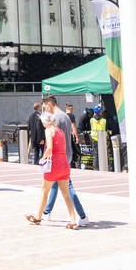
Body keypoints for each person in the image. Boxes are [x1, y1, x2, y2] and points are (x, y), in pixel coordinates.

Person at [26, 112, 79, 229]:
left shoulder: (48, 130)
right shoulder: (60, 131)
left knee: (44, 191)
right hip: (64, 164)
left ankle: (38, 216)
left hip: (53, 165)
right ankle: (73, 221)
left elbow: (49, 147)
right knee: (66, 195)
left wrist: (43, 158)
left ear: (45, 121)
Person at [40, 97, 88, 226]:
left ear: (50, 105)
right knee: (56, 186)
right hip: (66, 154)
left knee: (67, 188)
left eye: (45, 107)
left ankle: (82, 215)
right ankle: (46, 212)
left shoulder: (57, 118)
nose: (46, 110)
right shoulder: (66, 116)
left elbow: (54, 138)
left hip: (60, 156)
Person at [27, 101, 45, 165]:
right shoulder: (39, 116)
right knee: (43, 151)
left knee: (36, 151)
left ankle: (35, 163)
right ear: (38, 107)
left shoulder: (30, 116)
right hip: (39, 137)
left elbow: (29, 127)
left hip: (33, 137)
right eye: (40, 106)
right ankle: (40, 163)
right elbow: (39, 128)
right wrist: (42, 138)